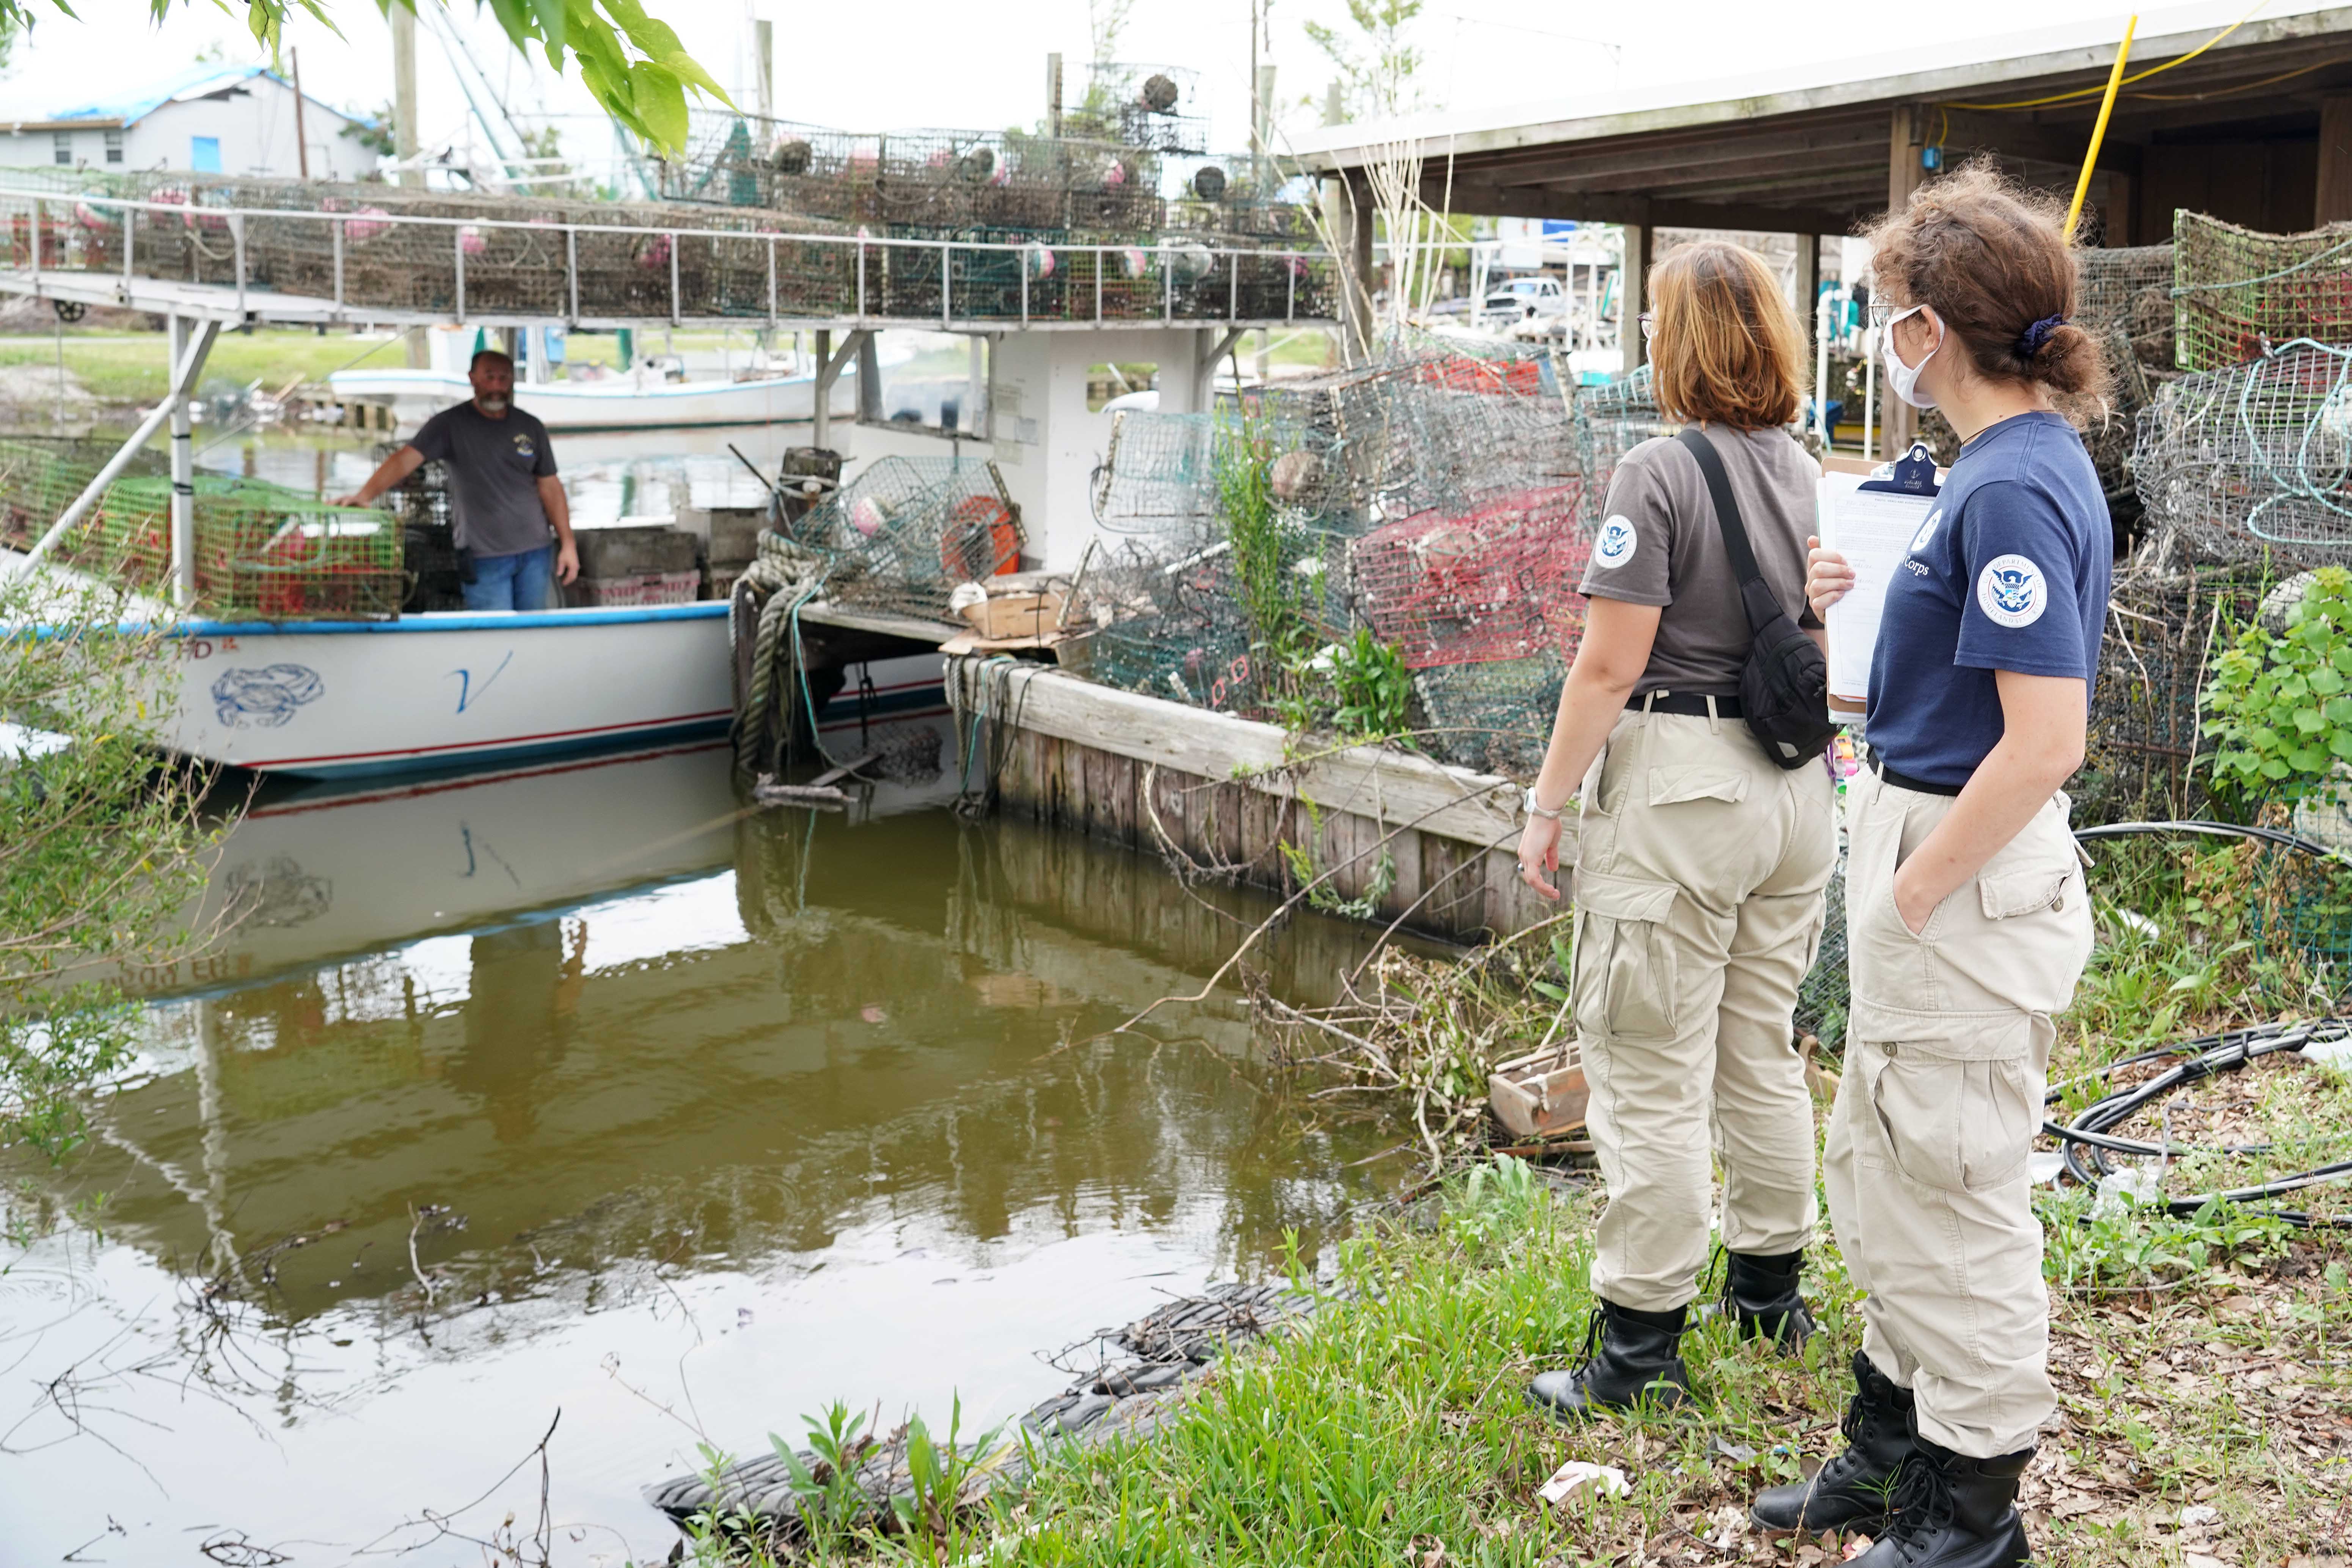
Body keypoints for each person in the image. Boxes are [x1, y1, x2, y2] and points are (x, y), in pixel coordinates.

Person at [1754, 163, 2108, 1568]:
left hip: (1955, 858)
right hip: (1919, 820)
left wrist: (1913, 885)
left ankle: (1967, 1515)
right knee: (1883, 1157)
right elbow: (1938, 693)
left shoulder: (2012, 483)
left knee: (1952, 1182)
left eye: (1882, 311)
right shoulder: (1993, 471)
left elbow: (2043, 737)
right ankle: (1887, 1440)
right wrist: (1849, 608)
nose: (1870, 335)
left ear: (1931, 328)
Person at [1516, 239, 1835, 1419]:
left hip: (1684, 785)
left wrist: (1545, 805)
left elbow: (1608, 664)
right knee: (1760, 1047)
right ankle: (1769, 1292)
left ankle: (1638, 1352)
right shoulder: (1800, 466)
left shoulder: (1653, 473)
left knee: (1647, 1070)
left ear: (1679, 341)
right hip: (1796, 789)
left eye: (1655, 321)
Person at [335, 348, 578, 611]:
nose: (496, 386)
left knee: (533, 634)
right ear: (472, 378)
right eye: (489, 377)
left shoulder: (531, 426)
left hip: (536, 553)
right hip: (484, 558)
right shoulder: (448, 425)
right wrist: (364, 495)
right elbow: (404, 460)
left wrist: (568, 544)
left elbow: (550, 486)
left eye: (504, 378)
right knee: (492, 638)